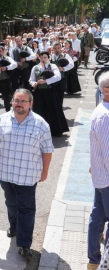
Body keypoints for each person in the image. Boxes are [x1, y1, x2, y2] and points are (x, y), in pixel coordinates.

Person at [0, 88, 54, 258]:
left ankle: (24, 243)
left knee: (27, 209)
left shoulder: (41, 124)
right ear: (12, 102)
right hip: (6, 174)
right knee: (11, 203)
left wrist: (45, 171)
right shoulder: (1, 121)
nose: (19, 104)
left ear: (30, 103)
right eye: (16, 100)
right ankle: (14, 225)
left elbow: (47, 151)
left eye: (23, 101)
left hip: (28, 177)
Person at [87, 72, 109, 270]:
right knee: (99, 220)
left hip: (101, 177)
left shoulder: (101, 111)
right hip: (107, 179)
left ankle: (94, 262)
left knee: (97, 218)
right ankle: (101, 262)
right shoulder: (106, 115)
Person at [29, 51, 69, 136]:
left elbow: (58, 77)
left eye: (45, 57)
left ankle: (54, 131)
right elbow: (31, 79)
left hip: (50, 92)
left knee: (52, 111)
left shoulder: (53, 66)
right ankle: (39, 131)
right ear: (39, 58)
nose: (43, 59)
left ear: (48, 58)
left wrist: (46, 81)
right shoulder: (35, 67)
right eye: (41, 57)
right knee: (39, 111)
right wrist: (34, 83)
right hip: (39, 93)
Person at [0, 46, 18, 113]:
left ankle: (8, 111)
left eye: (0, 51)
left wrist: (6, 68)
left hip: (5, 81)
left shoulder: (7, 58)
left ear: (3, 52)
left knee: (6, 98)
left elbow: (15, 64)